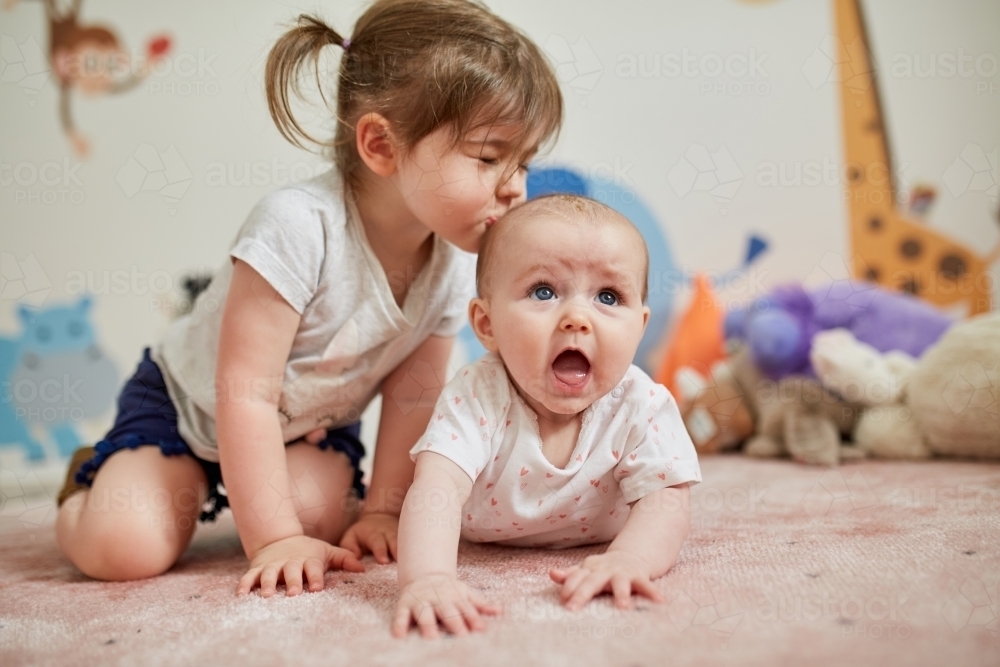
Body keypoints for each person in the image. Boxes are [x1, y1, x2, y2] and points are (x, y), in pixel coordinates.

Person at [54, 0, 562, 598]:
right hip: (188, 410)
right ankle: (86, 484)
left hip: (308, 429)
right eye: (489, 157)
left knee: (321, 522)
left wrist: (383, 511)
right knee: (125, 547)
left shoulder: (455, 263)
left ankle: (275, 505)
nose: (516, 186)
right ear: (380, 146)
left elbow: (412, 399)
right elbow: (245, 393)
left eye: (524, 161)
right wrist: (271, 540)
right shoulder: (296, 226)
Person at [393, 195, 701, 638]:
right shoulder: (479, 394)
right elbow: (436, 487)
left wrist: (630, 559)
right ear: (487, 324)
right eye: (544, 291)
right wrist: (426, 578)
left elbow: (667, 501)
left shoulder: (642, 404)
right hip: (481, 533)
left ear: (640, 325)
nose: (577, 318)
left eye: (608, 297)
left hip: (605, 537)